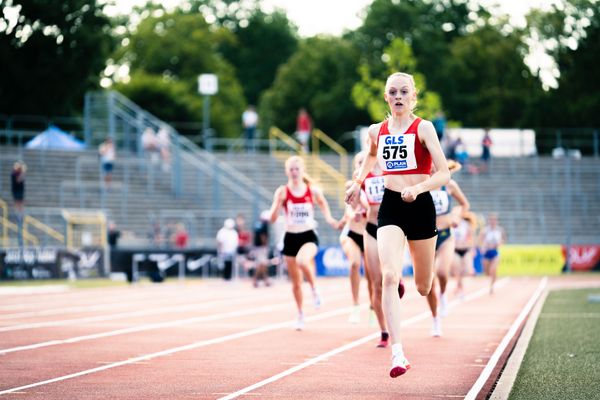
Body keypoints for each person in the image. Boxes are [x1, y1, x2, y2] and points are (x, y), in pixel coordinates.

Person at [345, 72, 450, 378]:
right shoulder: (377, 130)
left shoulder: (424, 128)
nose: (399, 96)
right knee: (388, 276)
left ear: (413, 96)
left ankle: (411, 279)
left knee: (423, 285)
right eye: (393, 92)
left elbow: (444, 174)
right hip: (391, 206)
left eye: (404, 91)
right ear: (386, 97)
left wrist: (418, 189)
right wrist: (357, 183)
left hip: (420, 206)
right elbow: (370, 158)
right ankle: (398, 354)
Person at [268, 155, 339, 330]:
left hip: (308, 235)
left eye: (297, 169)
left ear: (302, 171)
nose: (294, 172)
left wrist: (330, 219)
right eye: (291, 169)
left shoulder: (312, 191)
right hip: (290, 237)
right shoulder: (282, 191)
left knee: (302, 260)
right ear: (287, 171)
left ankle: (315, 290)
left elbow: (323, 204)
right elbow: (272, 218)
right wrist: (279, 203)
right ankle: (300, 314)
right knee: (296, 283)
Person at [426, 160, 469, 337]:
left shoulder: (448, 184)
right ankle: (435, 319)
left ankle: (443, 295)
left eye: (435, 163)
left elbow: (464, 204)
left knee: (442, 272)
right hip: (424, 237)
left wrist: (456, 216)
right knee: (428, 283)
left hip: (445, 235)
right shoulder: (419, 184)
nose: (432, 166)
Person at [359, 151, 397, 347]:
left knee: (389, 276)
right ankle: (383, 331)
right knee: (376, 283)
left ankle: (396, 281)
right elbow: (356, 198)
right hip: (371, 227)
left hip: (390, 228)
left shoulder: (389, 168)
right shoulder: (363, 174)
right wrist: (357, 206)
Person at [339, 152, 372, 324]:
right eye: (358, 162)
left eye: (363, 162)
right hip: (352, 233)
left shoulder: (374, 185)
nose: (360, 165)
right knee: (354, 264)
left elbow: (373, 208)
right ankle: (355, 305)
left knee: (371, 274)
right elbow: (349, 209)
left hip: (369, 233)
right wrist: (353, 214)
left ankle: (374, 307)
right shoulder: (351, 185)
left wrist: (365, 211)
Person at [452, 211, 478, 298]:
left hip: (465, 249)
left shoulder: (466, 224)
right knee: (457, 270)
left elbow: (471, 237)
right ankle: (460, 288)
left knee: (466, 270)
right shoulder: (452, 224)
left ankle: (458, 285)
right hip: (455, 250)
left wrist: (473, 249)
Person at [478, 213, 506, 294]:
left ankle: (492, 286)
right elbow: (480, 240)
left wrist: (499, 243)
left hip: (495, 252)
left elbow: (503, 240)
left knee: (493, 270)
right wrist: (482, 247)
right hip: (486, 252)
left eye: (494, 220)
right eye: (491, 220)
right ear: (489, 221)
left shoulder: (499, 230)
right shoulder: (485, 230)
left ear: (496, 221)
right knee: (487, 272)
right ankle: (491, 281)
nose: (493, 221)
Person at [251, 210, 272, 288]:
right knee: (261, 264)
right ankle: (256, 280)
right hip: (261, 247)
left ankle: (265, 280)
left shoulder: (257, 225)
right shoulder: (264, 225)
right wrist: (265, 244)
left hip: (257, 246)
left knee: (262, 264)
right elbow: (263, 236)